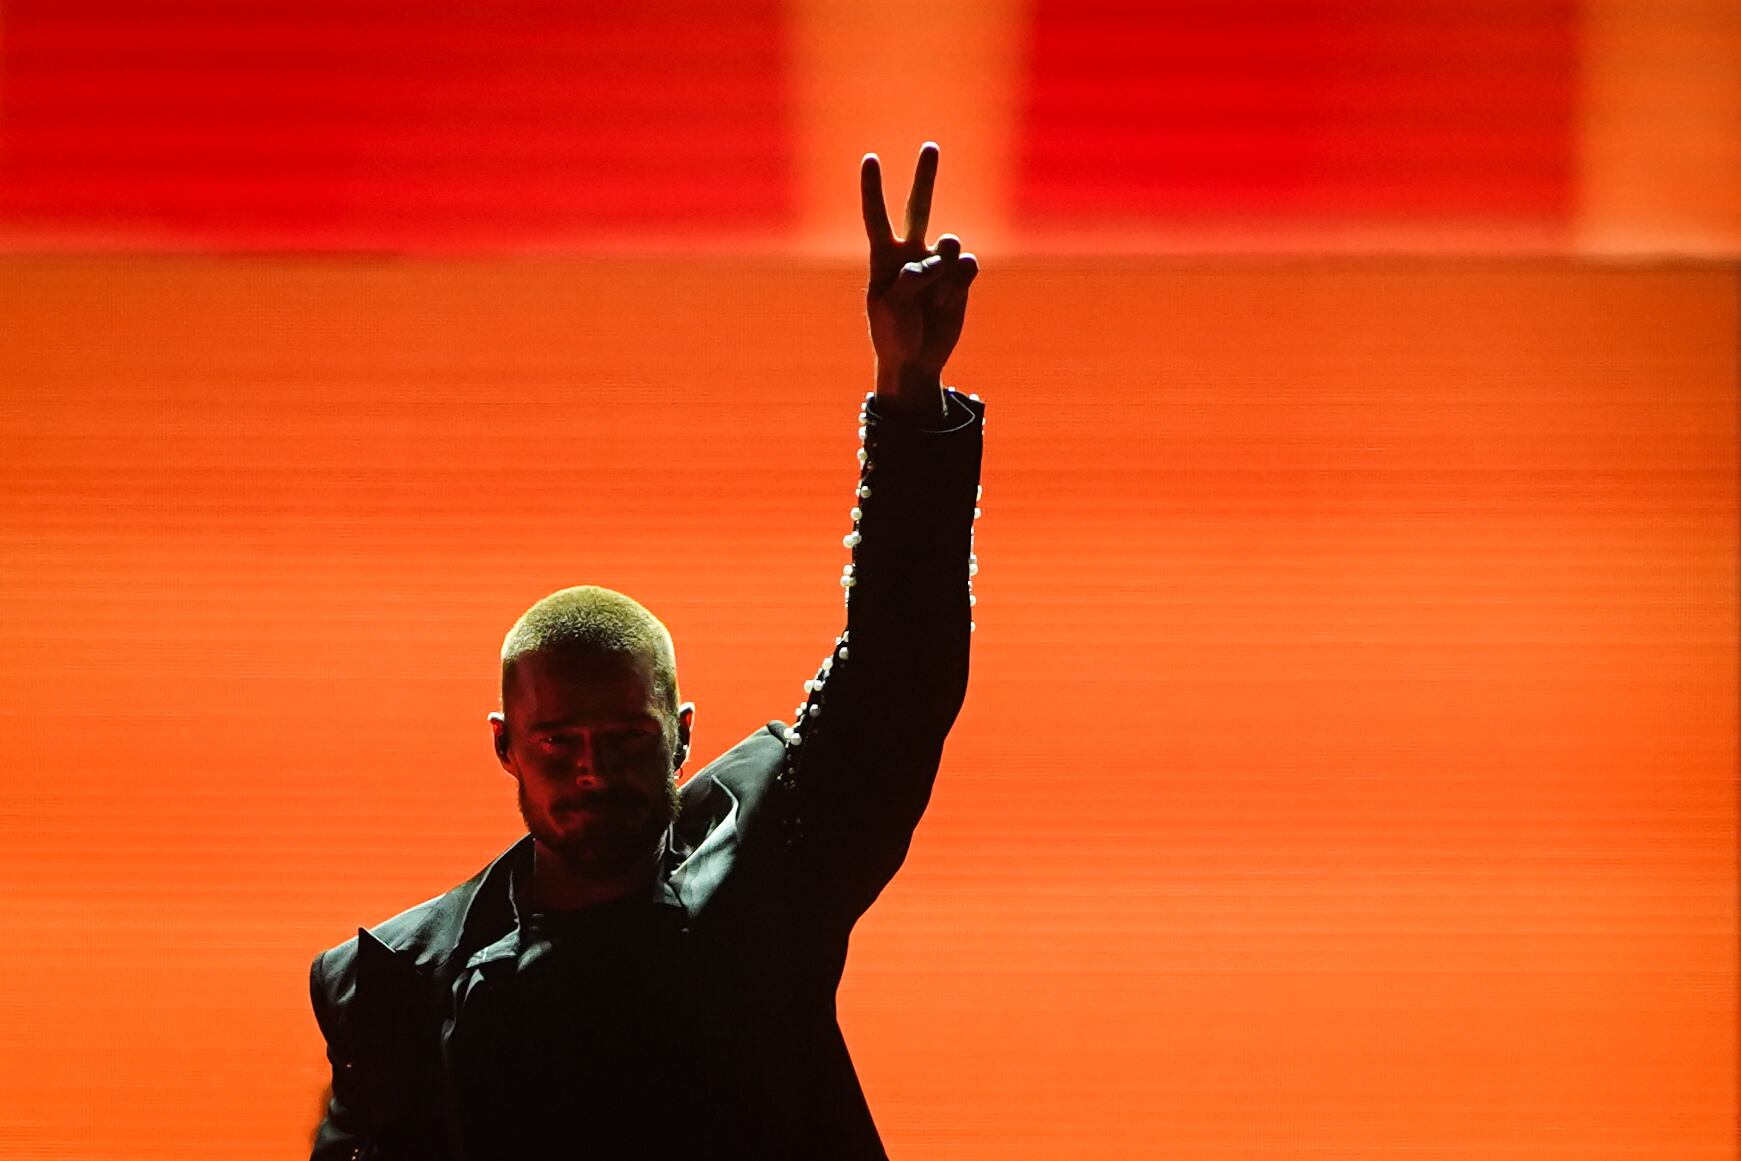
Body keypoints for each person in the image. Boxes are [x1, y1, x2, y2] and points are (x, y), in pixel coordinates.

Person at [307, 141, 985, 1161]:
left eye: (624, 741)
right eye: (559, 743)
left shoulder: (770, 867)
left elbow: (898, 675)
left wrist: (907, 399)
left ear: (682, 736)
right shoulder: (401, 988)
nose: (592, 772)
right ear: (505, 745)